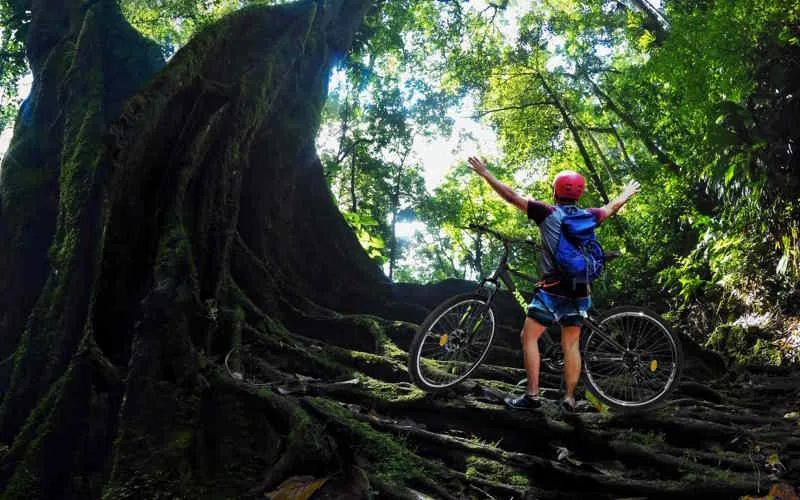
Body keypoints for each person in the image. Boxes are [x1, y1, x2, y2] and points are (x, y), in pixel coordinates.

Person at [467, 156, 640, 413]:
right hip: (580, 286)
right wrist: (626, 193)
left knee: (529, 336)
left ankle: (532, 396)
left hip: (554, 286)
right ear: (579, 194)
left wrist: (485, 173)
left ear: (556, 191)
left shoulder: (547, 212)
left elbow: (511, 196)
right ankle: (569, 399)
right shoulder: (588, 216)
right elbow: (611, 207)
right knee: (570, 344)